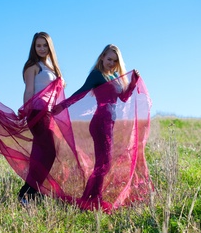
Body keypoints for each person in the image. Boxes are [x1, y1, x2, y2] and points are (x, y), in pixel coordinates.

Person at [53, 44, 140, 210]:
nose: (111, 63)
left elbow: (123, 97)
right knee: (104, 163)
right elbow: (81, 92)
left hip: (109, 123)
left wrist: (133, 82)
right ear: (102, 57)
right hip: (100, 122)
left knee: (103, 163)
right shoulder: (96, 74)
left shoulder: (114, 76)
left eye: (115, 61)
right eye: (109, 59)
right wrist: (62, 106)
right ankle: (92, 199)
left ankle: (91, 198)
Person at [18, 32, 64, 203]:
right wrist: (26, 111)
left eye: (45, 45)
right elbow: (29, 90)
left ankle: (31, 193)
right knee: (49, 152)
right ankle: (27, 192)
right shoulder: (32, 66)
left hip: (48, 114)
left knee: (40, 155)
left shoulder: (51, 67)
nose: (42, 49)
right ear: (34, 48)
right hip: (37, 113)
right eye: (38, 46)